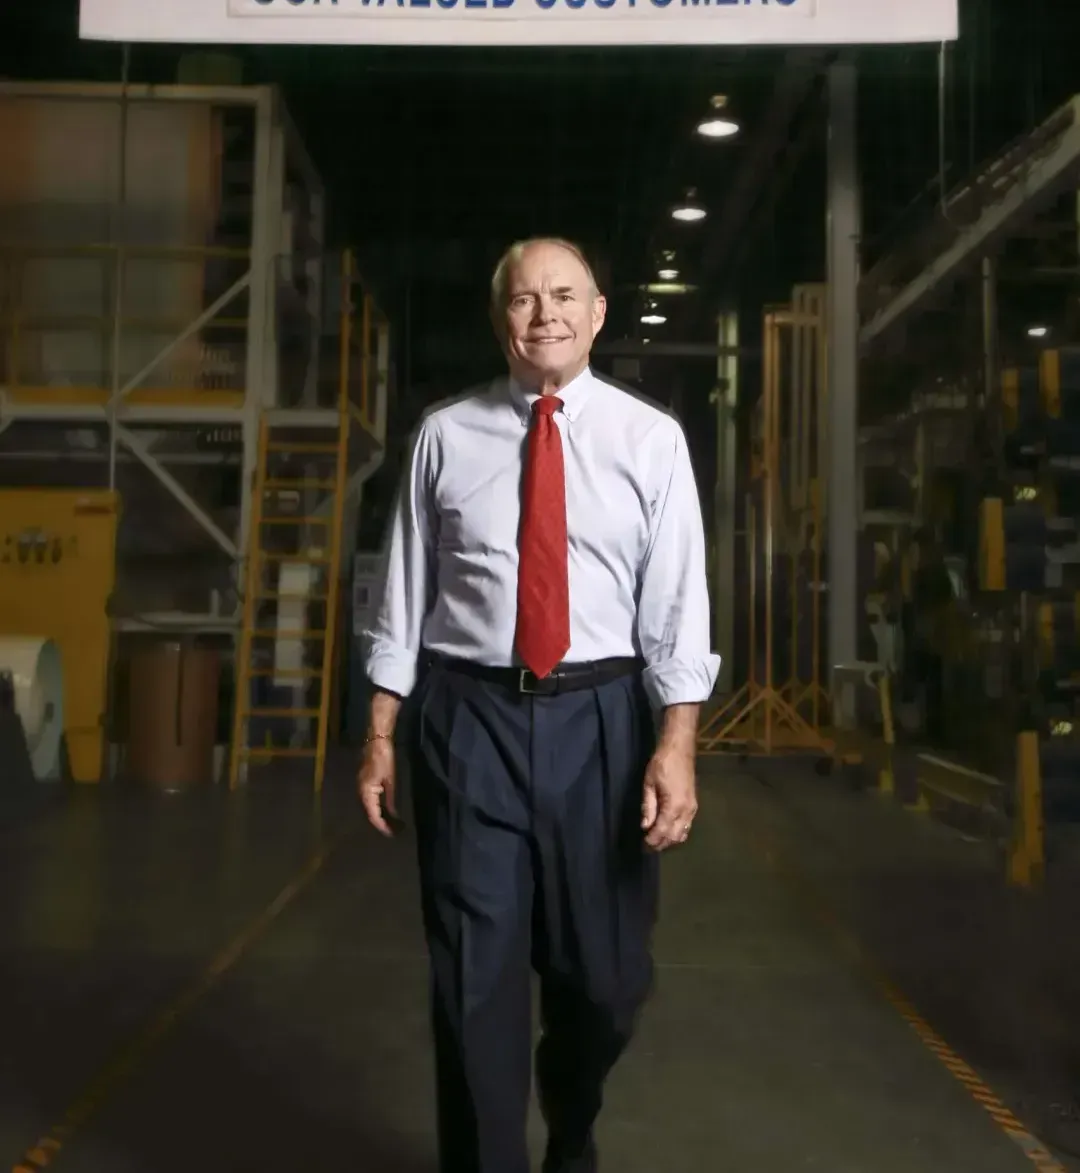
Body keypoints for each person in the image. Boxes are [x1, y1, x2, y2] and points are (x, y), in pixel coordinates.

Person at [358, 237, 720, 1173]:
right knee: (475, 984)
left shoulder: (651, 440)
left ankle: (571, 1118)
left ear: (598, 313)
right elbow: (403, 590)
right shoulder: (447, 434)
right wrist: (382, 730)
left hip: (602, 720)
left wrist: (674, 745)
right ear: (499, 319)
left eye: (565, 295)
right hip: (468, 719)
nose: (545, 313)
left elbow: (678, 607)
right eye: (524, 299)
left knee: (605, 982)